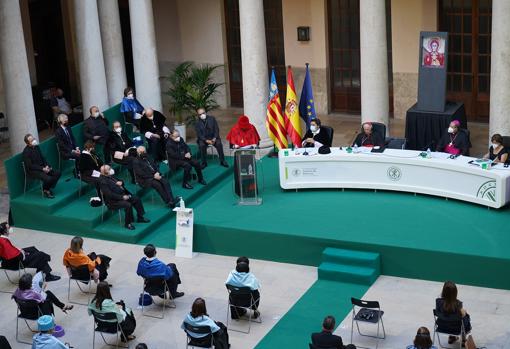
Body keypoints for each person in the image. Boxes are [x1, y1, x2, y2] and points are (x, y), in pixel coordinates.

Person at [99, 164, 150, 230]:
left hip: (124, 195)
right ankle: (128, 223)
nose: (111, 169)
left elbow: (121, 181)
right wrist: (122, 197)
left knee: (136, 199)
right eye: (109, 169)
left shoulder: (111, 176)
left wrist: (121, 182)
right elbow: (109, 194)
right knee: (128, 205)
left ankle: (140, 217)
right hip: (113, 201)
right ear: (104, 172)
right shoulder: (103, 181)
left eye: (110, 168)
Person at [22, 133, 61, 198]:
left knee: (58, 173)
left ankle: (46, 188)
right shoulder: (26, 152)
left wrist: (47, 166)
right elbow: (30, 166)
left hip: (43, 167)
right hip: (33, 171)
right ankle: (47, 190)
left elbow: (43, 158)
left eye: (33, 139)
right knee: (49, 179)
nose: (34, 141)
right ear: (27, 143)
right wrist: (42, 169)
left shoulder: (37, 147)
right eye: (31, 140)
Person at [435, 281, 472, 346]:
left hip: (442, 327)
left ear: (443, 291)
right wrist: (465, 312)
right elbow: (462, 316)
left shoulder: (438, 301)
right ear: (455, 292)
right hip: (456, 329)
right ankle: (463, 340)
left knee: (449, 319)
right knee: (465, 317)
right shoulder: (458, 304)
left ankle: (452, 337)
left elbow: (438, 312)